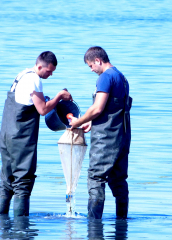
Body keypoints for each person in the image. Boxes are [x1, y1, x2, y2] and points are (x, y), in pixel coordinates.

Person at [0, 51, 72, 217]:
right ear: (40, 66)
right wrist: (59, 95)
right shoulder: (34, 79)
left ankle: (2, 225)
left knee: (6, 180)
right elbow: (43, 109)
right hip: (21, 138)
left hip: (6, 134)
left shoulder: (22, 75)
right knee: (23, 182)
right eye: (49, 71)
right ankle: (22, 229)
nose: (50, 74)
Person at [70, 46, 132, 219]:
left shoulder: (105, 77)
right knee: (119, 181)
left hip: (105, 139)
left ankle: (94, 226)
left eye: (91, 66)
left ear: (98, 60)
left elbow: (97, 108)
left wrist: (79, 121)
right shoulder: (122, 78)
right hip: (123, 137)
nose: (91, 70)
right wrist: (91, 121)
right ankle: (122, 223)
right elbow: (113, 108)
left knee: (96, 178)